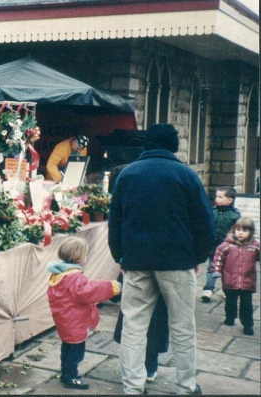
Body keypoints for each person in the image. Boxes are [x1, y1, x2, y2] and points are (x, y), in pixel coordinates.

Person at [107, 123, 214, 395]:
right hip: (177, 261)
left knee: (134, 326)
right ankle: (186, 385)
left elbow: (115, 221)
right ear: (172, 145)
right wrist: (199, 256)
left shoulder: (127, 174)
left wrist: (120, 255)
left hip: (136, 260)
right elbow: (204, 222)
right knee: (182, 327)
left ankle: (133, 387)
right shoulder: (186, 175)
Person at [47, 236, 121, 390]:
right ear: (80, 257)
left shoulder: (58, 274)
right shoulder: (75, 277)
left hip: (65, 321)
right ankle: (71, 377)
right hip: (75, 322)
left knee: (67, 348)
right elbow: (88, 292)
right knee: (76, 352)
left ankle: (66, 372)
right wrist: (111, 286)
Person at [111, 273, 169, 383]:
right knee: (153, 335)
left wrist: (114, 294)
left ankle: (132, 372)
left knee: (133, 332)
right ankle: (149, 369)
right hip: (161, 288)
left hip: (137, 279)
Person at [209, 217, 260, 336]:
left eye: (245, 230)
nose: (240, 233)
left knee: (246, 304)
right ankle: (230, 318)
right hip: (230, 280)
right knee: (230, 302)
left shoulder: (255, 246)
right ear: (234, 230)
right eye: (238, 229)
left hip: (248, 281)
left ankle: (248, 325)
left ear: (251, 232)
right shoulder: (226, 245)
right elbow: (218, 258)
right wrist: (216, 270)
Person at [201, 186, 240, 302]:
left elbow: (237, 232)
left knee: (227, 269)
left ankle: (227, 290)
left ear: (230, 200)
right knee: (211, 267)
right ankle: (208, 289)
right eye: (216, 196)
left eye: (220, 197)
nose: (216, 199)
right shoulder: (212, 212)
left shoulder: (235, 216)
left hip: (228, 247)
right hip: (214, 245)